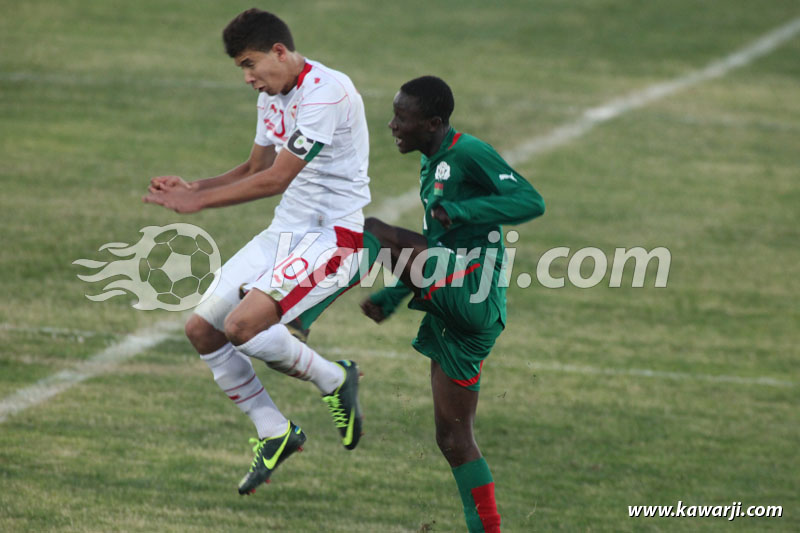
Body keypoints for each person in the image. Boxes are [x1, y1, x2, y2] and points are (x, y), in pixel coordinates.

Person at [143, 9, 373, 495]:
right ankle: (275, 431)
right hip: (285, 230)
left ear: (280, 52)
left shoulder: (325, 92)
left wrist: (198, 202)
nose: (249, 79)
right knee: (201, 329)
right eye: (241, 70)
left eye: (251, 65)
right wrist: (195, 184)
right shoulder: (273, 94)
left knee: (242, 327)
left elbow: (277, 179)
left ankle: (334, 377)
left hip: (331, 237)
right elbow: (256, 165)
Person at [360, 76, 545, 533]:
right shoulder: (432, 165)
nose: (392, 124)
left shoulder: (466, 152)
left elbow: (530, 200)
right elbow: (431, 248)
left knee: (375, 231)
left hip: (474, 289)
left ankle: (297, 317)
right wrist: (390, 296)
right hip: (458, 312)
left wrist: (463, 212)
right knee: (452, 439)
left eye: (402, 118)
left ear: (434, 122)